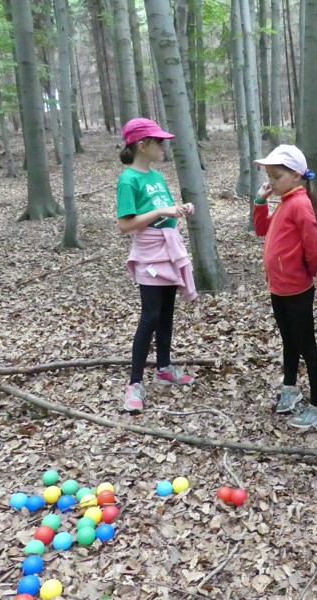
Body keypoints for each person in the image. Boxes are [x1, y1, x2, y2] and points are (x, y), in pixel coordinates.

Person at [116, 118, 197, 413]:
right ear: (142, 145)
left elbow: (165, 213)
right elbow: (125, 225)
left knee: (166, 315)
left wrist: (180, 210)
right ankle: (134, 383)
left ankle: (164, 366)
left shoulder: (156, 177)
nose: (163, 146)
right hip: (149, 255)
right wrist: (162, 210)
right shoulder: (128, 180)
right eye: (158, 141)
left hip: (168, 250)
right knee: (150, 316)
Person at [253, 145, 317, 430]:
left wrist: (304, 274)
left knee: (306, 344)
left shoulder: (299, 203)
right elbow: (263, 230)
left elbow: (313, 247)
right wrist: (261, 202)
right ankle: (291, 388)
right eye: (269, 175)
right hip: (279, 289)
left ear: (296, 176)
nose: (270, 181)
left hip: (297, 289)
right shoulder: (284, 201)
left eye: (276, 175)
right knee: (288, 340)